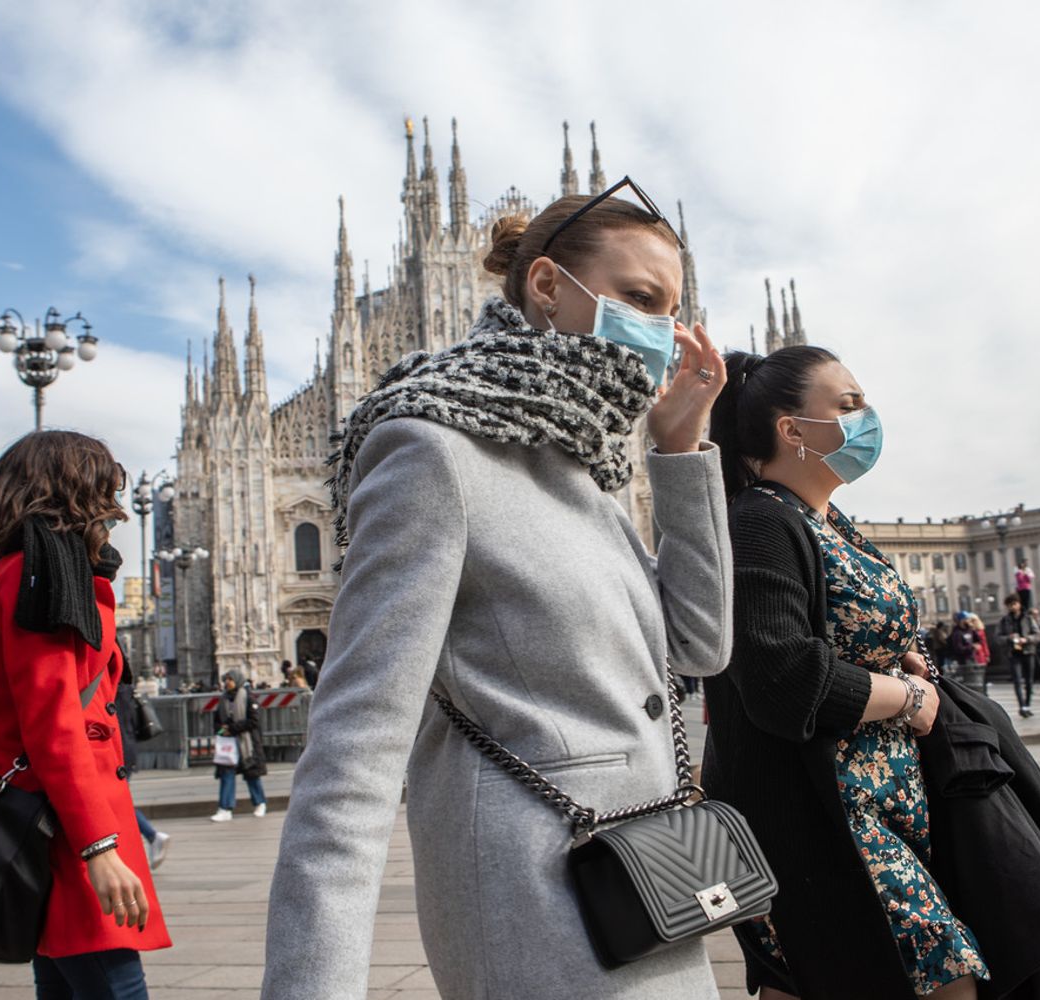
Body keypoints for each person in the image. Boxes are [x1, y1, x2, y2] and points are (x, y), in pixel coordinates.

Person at [262, 180, 733, 1000]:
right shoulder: (432, 449)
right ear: (547, 285)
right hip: (538, 908)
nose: (665, 332)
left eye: (673, 308)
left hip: (649, 885)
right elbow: (353, 757)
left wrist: (680, 451)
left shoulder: (584, 459)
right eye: (640, 299)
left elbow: (698, 647)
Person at [704, 345, 1003, 999]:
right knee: (946, 972)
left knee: (817, 982)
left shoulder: (829, 522)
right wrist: (908, 696)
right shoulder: (759, 522)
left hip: (883, 800)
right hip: (819, 815)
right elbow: (782, 678)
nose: (868, 417)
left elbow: (846, 628)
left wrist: (903, 658)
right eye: (849, 404)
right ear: (792, 430)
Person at [0, 431, 171, 997]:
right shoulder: (39, 577)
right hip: (61, 827)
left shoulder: (33, 571)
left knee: (64, 984)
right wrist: (97, 849)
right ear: (75, 488)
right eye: (104, 485)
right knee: (115, 984)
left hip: (52, 818)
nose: (113, 503)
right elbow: (54, 725)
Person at [113, 652, 170, 870]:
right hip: (127, 751)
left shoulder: (116, 692)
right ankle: (150, 838)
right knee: (119, 802)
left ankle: (152, 837)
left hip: (119, 754)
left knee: (118, 803)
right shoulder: (126, 689)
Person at [211, 670, 268, 822]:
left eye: (230, 679)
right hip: (229, 743)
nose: (227, 682)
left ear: (237, 680)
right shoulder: (223, 699)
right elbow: (216, 721)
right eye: (225, 679)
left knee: (251, 775)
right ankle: (225, 808)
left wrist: (232, 728)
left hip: (247, 743)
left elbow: (254, 721)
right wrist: (222, 730)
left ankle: (260, 803)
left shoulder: (248, 697)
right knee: (226, 774)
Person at [996, 593, 1040, 718]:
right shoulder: (1004, 621)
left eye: (1014, 604)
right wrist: (1009, 638)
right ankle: (1022, 706)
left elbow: (1037, 634)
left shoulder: (1028, 618)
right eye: (1009, 605)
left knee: (1029, 680)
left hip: (1028, 651)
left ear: (1019, 604)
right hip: (1013, 653)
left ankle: (1027, 704)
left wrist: (1026, 639)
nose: (1012, 607)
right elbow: (998, 637)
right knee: (1017, 680)